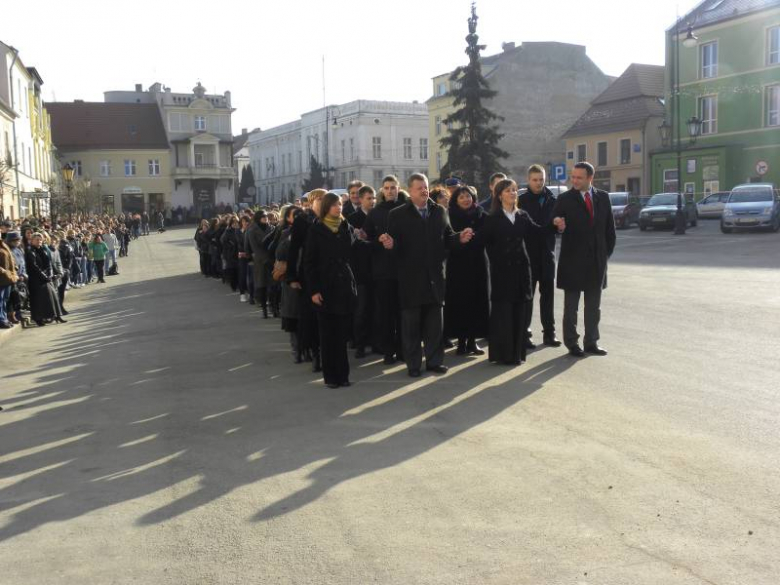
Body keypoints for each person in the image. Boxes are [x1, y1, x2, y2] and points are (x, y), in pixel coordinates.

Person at [383, 173, 474, 377]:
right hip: (411, 279)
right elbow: (394, 245)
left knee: (434, 327)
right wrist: (391, 245)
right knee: (411, 328)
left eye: (425, 186)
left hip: (434, 278)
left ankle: (434, 362)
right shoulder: (397, 214)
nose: (424, 190)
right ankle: (413, 365)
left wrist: (460, 238)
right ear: (410, 191)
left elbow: (447, 237)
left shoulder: (439, 211)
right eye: (419, 188)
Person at [478, 179, 564, 365]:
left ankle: (516, 354)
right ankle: (501, 355)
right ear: (500, 195)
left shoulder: (522, 216)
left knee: (519, 312)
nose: (513, 193)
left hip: (521, 271)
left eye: (515, 190)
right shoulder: (491, 218)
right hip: (501, 273)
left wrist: (555, 226)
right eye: (509, 190)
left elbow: (539, 233)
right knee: (503, 313)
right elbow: (480, 242)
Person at [552, 161, 615, 357]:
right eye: (573, 177)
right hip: (573, 262)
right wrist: (557, 224)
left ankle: (591, 342)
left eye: (579, 177)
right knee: (571, 308)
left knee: (593, 307)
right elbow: (554, 221)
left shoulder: (603, 198)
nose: (575, 180)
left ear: (590, 178)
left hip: (596, 263)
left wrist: (604, 255)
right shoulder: (564, 199)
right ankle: (572, 343)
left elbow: (609, 231)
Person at [304, 192, 360, 388]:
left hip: (343, 286)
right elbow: (309, 263)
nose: (339, 207)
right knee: (328, 335)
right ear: (326, 207)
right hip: (325, 287)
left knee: (342, 335)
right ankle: (331, 377)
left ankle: (343, 376)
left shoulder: (346, 227)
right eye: (335, 205)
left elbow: (358, 248)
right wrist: (313, 290)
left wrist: (381, 243)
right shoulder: (316, 229)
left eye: (340, 204)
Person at [363, 175, 405, 365]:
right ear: (382, 190)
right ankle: (388, 351)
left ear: (398, 188)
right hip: (382, 272)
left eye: (393, 187)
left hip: (404, 270)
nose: (390, 191)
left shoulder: (407, 210)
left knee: (403, 314)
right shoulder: (375, 213)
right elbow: (366, 240)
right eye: (386, 188)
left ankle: (404, 349)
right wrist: (378, 242)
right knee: (386, 314)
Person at [518, 164, 561, 348]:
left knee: (548, 297)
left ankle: (549, 334)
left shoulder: (553, 199)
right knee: (527, 298)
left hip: (548, 255)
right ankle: (525, 335)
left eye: (541, 179)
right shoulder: (521, 201)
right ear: (528, 180)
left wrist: (559, 226)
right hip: (528, 257)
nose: (538, 183)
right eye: (535, 180)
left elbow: (558, 225)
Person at [444, 185, 489, 355]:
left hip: (478, 263)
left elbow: (488, 234)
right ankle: (461, 341)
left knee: (477, 301)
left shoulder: (482, 214)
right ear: (456, 200)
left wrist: (475, 236)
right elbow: (446, 238)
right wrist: (460, 239)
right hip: (458, 265)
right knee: (460, 302)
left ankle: (472, 341)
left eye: (468, 196)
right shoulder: (449, 215)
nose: (465, 199)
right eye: (461, 196)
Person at [287, 189, 327, 372]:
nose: (322, 202)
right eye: (319, 199)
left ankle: (325, 352)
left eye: (325, 199)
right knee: (310, 316)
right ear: (311, 202)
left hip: (329, 274)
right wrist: (292, 277)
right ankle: (314, 353)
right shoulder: (302, 221)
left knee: (326, 316)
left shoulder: (332, 218)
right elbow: (293, 250)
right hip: (308, 273)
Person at [347, 185, 376, 358]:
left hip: (377, 269)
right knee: (361, 309)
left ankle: (374, 340)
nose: (371, 201)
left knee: (375, 308)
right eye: (368, 198)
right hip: (360, 270)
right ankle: (360, 343)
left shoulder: (380, 215)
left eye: (373, 198)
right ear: (361, 199)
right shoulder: (352, 218)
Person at [25, 233, 65, 326]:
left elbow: (48, 263)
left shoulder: (43, 250)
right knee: (38, 299)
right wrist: (44, 276)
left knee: (53, 295)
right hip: (35, 278)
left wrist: (50, 274)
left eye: (40, 239)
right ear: (32, 240)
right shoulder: (30, 250)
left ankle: (56, 315)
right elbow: (33, 266)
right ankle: (39, 318)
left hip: (46, 277)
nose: (39, 241)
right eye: (37, 239)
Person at [246, 210, 274, 317]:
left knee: (272, 285)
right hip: (260, 261)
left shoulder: (272, 228)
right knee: (262, 285)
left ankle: (273, 306)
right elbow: (254, 247)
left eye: (266, 216)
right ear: (258, 218)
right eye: (263, 217)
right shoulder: (252, 230)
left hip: (271, 260)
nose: (265, 218)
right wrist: (264, 258)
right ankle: (264, 309)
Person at [0, 236, 18, 329]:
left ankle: (4, 319)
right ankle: (1, 320)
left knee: (4, 300)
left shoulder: (4, 245)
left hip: (8, 277)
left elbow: (11, 257)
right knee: (0, 300)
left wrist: (15, 269)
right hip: (2, 277)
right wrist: (3, 271)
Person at [220, 216, 241, 293]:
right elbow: (223, 241)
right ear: (231, 224)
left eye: (237, 222)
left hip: (238, 253)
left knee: (239, 270)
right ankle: (233, 286)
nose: (235, 224)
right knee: (232, 270)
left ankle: (239, 285)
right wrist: (231, 245)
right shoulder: (228, 231)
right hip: (230, 254)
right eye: (234, 223)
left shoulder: (240, 230)